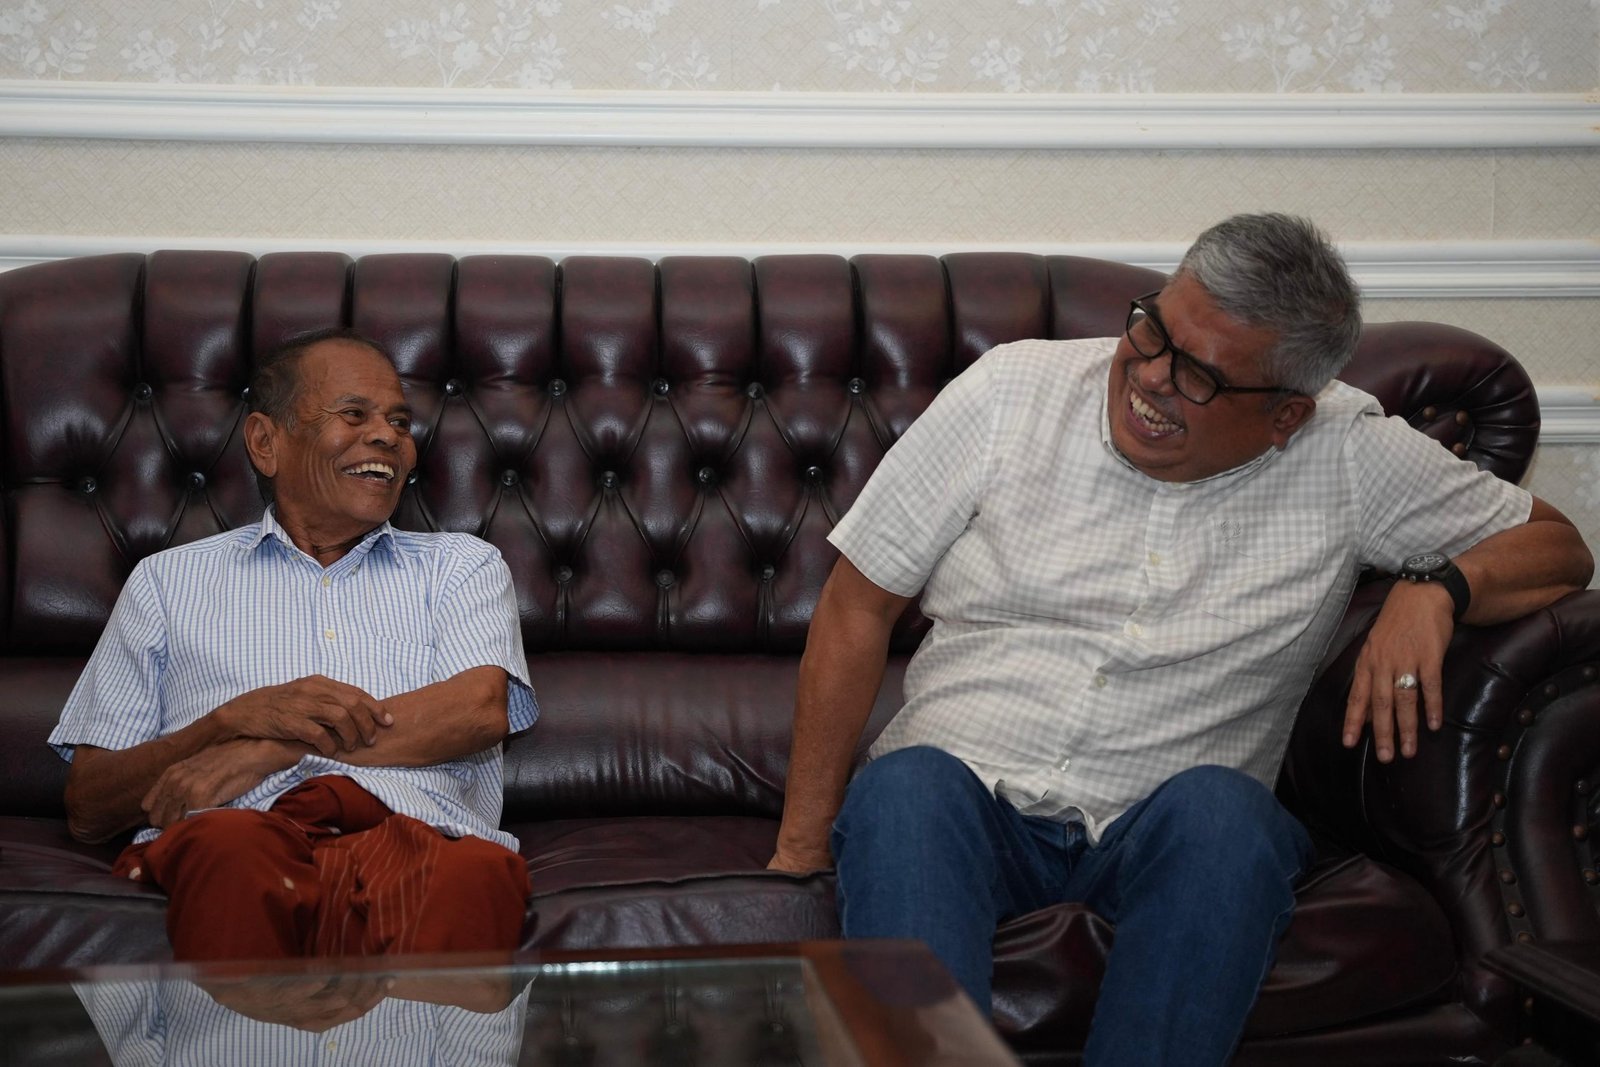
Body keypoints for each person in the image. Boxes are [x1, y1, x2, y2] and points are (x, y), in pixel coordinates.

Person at [768, 213, 1594, 1065]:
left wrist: (1438, 588)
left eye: (1199, 374)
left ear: (1286, 416)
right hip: (961, 804)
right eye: (1153, 329)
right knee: (907, 787)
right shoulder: (1009, 392)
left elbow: (1559, 547)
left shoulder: (1349, 454)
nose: (1152, 376)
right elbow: (856, 606)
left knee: (1228, 817)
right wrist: (798, 853)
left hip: (1165, 828)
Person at [49, 328, 538, 961]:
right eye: (354, 415)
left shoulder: (460, 567)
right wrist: (226, 724)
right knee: (228, 853)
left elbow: (477, 711)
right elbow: (89, 806)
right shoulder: (167, 583)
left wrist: (273, 747)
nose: (388, 437)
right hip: (238, 835)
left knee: (471, 877)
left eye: (399, 422)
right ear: (265, 442)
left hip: (423, 833)